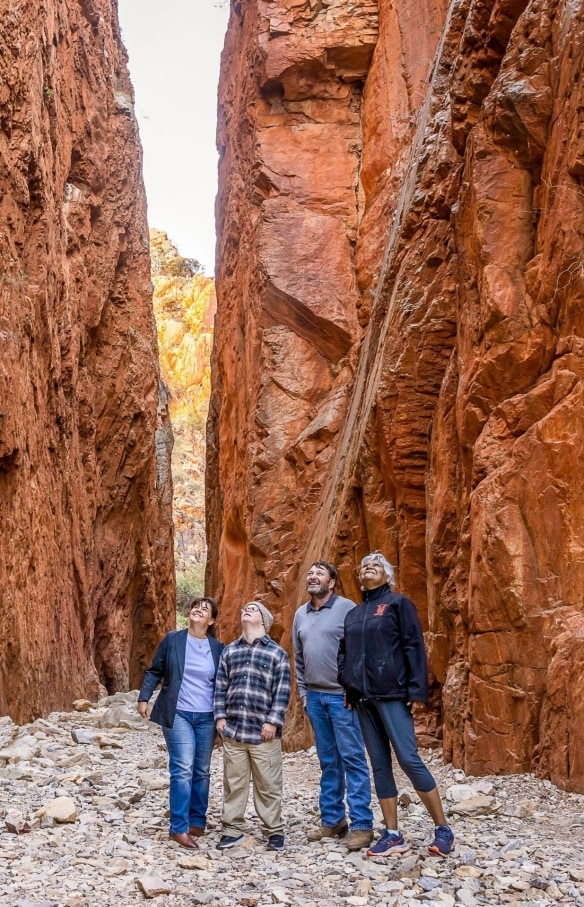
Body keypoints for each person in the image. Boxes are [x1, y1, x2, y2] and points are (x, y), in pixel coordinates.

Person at [338, 552, 455, 858]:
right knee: (379, 764)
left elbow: (413, 645)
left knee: (408, 758)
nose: (368, 570)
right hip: (363, 699)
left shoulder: (397, 604)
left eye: (375, 566)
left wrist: (416, 693)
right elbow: (344, 653)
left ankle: (443, 828)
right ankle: (392, 834)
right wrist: (348, 686)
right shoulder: (354, 614)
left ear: (387, 576)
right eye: (364, 566)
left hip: (391, 694)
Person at [293, 560, 374, 851]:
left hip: (343, 697)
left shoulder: (347, 608)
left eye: (319, 573)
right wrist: (303, 693)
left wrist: (354, 692)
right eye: (310, 573)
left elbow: (360, 652)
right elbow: (299, 657)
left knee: (352, 758)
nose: (313, 577)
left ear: (332, 582)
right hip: (314, 698)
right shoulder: (300, 614)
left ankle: (362, 824)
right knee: (328, 762)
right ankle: (333, 820)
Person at [137, 597, 225, 849]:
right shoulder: (173, 640)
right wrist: (144, 697)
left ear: (212, 620)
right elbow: (155, 670)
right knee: (183, 767)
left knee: (202, 770)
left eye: (204, 609)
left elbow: (224, 683)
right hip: (178, 713)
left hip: (207, 716)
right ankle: (178, 826)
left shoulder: (218, 648)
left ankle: (197, 820)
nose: (198, 609)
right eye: (196, 606)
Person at [214, 601, 291, 852]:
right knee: (233, 784)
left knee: (268, 785)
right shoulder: (229, 652)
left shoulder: (277, 653)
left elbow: (282, 691)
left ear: (264, 621)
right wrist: (220, 717)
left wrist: (272, 721)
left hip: (263, 733)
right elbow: (220, 687)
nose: (246, 609)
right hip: (234, 731)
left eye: (253, 609)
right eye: (244, 608)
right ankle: (232, 829)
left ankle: (274, 831)